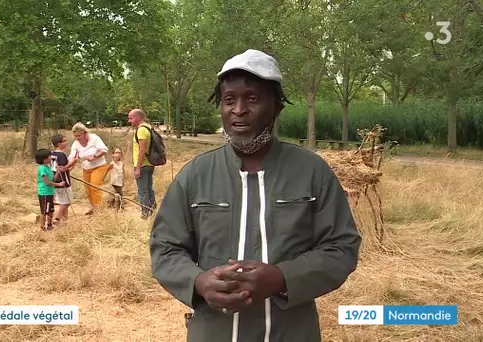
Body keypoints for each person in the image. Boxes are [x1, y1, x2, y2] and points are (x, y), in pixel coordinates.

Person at [149, 49, 361, 341]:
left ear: (277, 108)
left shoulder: (312, 171)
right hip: (214, 331)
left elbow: (341, 246)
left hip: (292, 332)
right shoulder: (195, 174)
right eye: (228, 100)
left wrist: (282, 278)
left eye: (252, 98)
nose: (239, 109)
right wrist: (198, 282)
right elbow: (165, 248)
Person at [65, 122, 110, 215]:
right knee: (88, 189)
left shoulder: (94, 138)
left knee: (94, 187)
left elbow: (104, 150)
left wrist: (94, 156)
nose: (77, 138)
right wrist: (67, 168)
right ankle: (93, 207)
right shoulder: (76, 144)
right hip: (86, 168)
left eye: (79, 135)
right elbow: (73, 156)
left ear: (84, 133)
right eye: (75, 136)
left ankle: (99, 209)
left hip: (99, 166)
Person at [127, 109, 156, 219]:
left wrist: (137, 168)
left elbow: (142, 150)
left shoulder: (141, 130)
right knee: (149, 189)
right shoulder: (148, 127)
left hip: (143, 165)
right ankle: (152, 210)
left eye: (131, 118)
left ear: (138, 118)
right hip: (149, 164)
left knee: (142, 191)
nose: (129, 121)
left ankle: (145, 214)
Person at [35, 148, 65, 231]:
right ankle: (42, 227)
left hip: (50, 193)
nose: (51, 158)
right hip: (44, 193)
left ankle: (49, 224)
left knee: (51, 210)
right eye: (49, 156)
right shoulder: (42, 168)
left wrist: (58, 172)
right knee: (44, 211)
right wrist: (58, 184)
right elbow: (47, 182)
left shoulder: (48, 168)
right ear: (44, 159)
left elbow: (53, 179)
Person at [50, 134, 73, 223]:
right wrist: (72, 162)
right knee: (66, 203)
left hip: (55, 181)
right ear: (59, 143)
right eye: (64, 141)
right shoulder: (61, 155)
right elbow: (63, 168)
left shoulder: (52, 154)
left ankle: (65, 221)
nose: (66, 142)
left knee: (63, 201)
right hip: (63, 182)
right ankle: (57, 218)